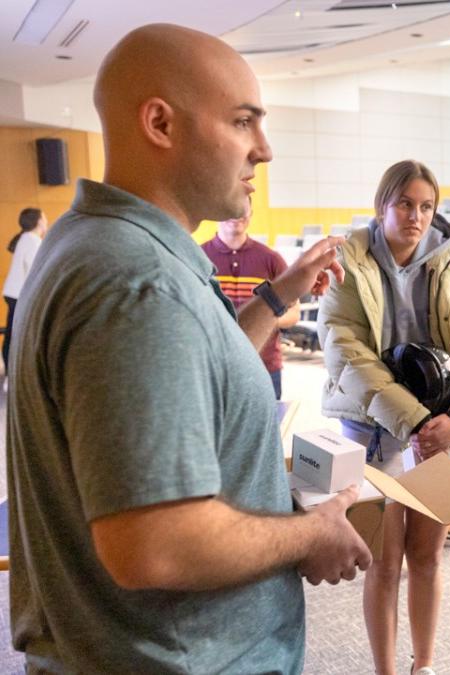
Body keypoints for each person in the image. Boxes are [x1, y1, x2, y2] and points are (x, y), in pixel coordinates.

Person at [6, 23, 372, 674]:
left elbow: (192, 365)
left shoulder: (93, 240)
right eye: (242, 122)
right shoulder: (137, 286)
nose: (263, 149)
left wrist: (277, 297)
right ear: (159, 123)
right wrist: (309, 533)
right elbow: (156, 545)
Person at [317, 160, 450, 675]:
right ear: (382, 205)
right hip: (373, 433)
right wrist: (417, 422)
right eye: (404, 204)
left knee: (428, 556)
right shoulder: (347, 262)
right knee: (383, 563)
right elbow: (347, 352)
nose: (415, 216)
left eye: (426, 206)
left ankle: (424, 664)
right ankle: (387, 671)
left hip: (441, 434)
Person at [202, 197, 300, 399]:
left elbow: (294, 312)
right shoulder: (199, 255)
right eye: (232, 206)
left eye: (243, 209)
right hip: (212, 367)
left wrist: (262, 320)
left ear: (250, 215)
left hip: (264, 367)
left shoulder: (271, 259)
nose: (237, 215)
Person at [2, 207, 47, 376]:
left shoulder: (26, 238)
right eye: (44, 218)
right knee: (16, 336)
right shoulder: (33, 241)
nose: (46, 221)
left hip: (14, 294)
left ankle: (10, 374)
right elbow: (35, 271)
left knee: (12, 334)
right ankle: (12, 375)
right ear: (39, 221)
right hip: (20, 296)